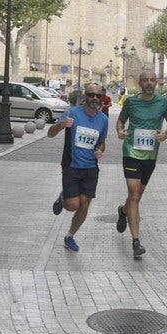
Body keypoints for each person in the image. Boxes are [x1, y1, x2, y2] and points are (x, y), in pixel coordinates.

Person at [115, 69, 167, 258]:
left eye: (152, 80)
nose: (149, 83)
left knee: (136, 197)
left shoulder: (163, 102)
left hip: (150, 156)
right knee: (134, 195)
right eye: (145, 80)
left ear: (156, 83)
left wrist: (166, 134)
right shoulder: (130, 102)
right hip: (131, 153)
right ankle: (136, 242)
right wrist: (120, 131)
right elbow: (120, 121)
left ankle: (123, 211)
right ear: (140, 83)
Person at [47, 83, 108, 252]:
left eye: (98, 96)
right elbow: (50, 133)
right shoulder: (72, 113)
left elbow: (102, 142)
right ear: (85, 96)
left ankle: (70, 236)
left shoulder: (103, 119)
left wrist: (100, 151)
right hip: (72, 165)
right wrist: (61, 124)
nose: (94, 98)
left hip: (91, 168)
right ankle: (63, 198)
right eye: (91, 95)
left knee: (84, 205)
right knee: (72, 205)